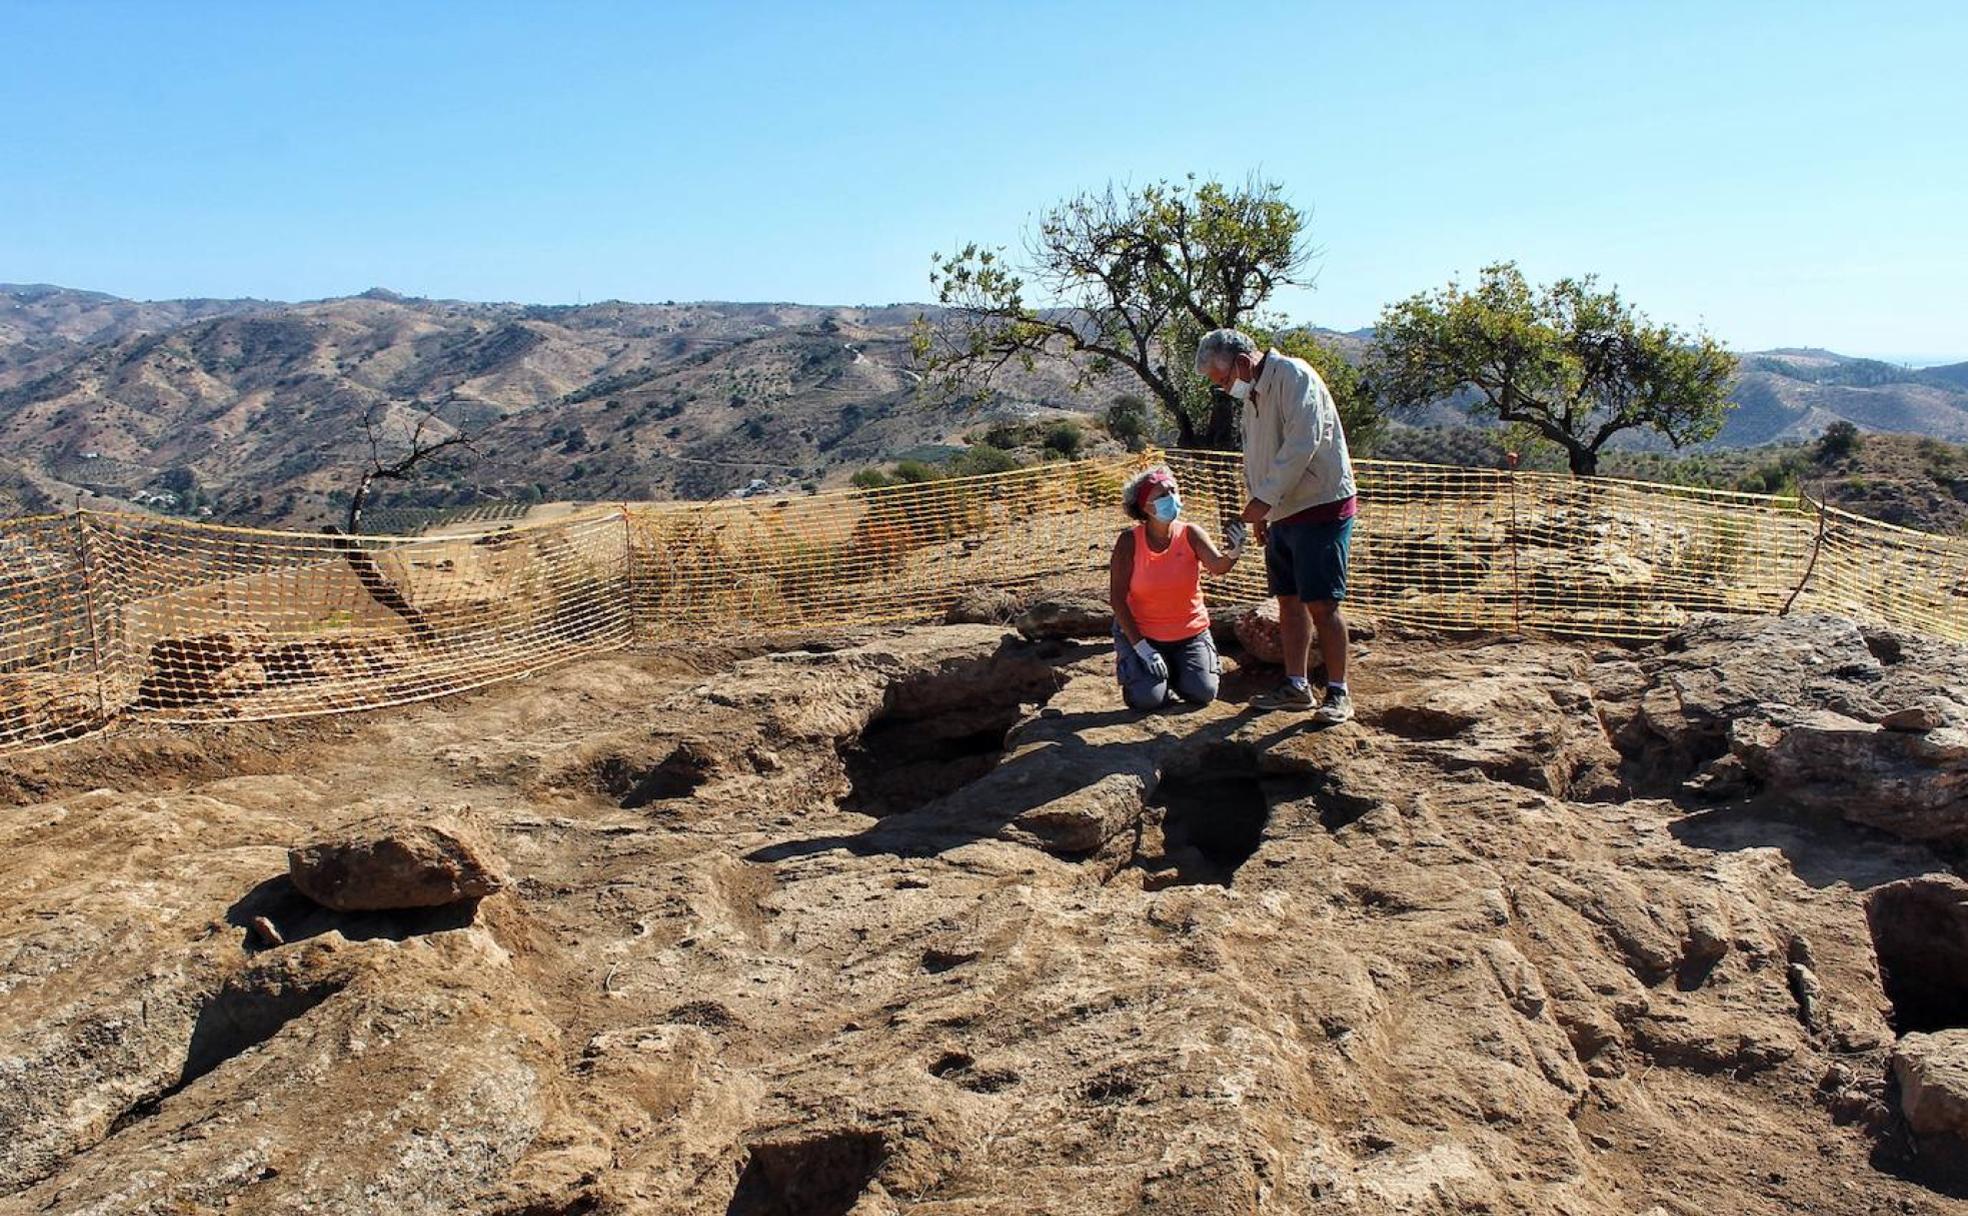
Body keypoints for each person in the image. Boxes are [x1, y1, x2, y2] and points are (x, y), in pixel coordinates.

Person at [1194, 328, 1358, 724]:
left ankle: (1338, 692)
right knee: (1288, 601)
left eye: (1222, 380)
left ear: (1242, 363)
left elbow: (1303, 444)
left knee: (1322, 602)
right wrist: (1263, 513)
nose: (1223, 389)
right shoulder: (1252, 395)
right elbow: (1259, 459)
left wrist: (1261, 502)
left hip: (1320, 505)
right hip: (1282, 512)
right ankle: (1296, 686)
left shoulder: (1294, 376)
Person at [1109, 464, 1247, 711]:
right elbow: (1118, 599)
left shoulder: (1190, 533)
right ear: (1144, 507)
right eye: (1161, 495)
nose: (1171, 498)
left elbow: (1218, 566)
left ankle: (1175, 672)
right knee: (1147, 700)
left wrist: (1233, 551)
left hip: (1189, 632)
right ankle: (1146, 675)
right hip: (1144, 634)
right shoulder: (1128, 542)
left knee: (1203, 693)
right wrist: (1142, 648)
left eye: (1173, 490)